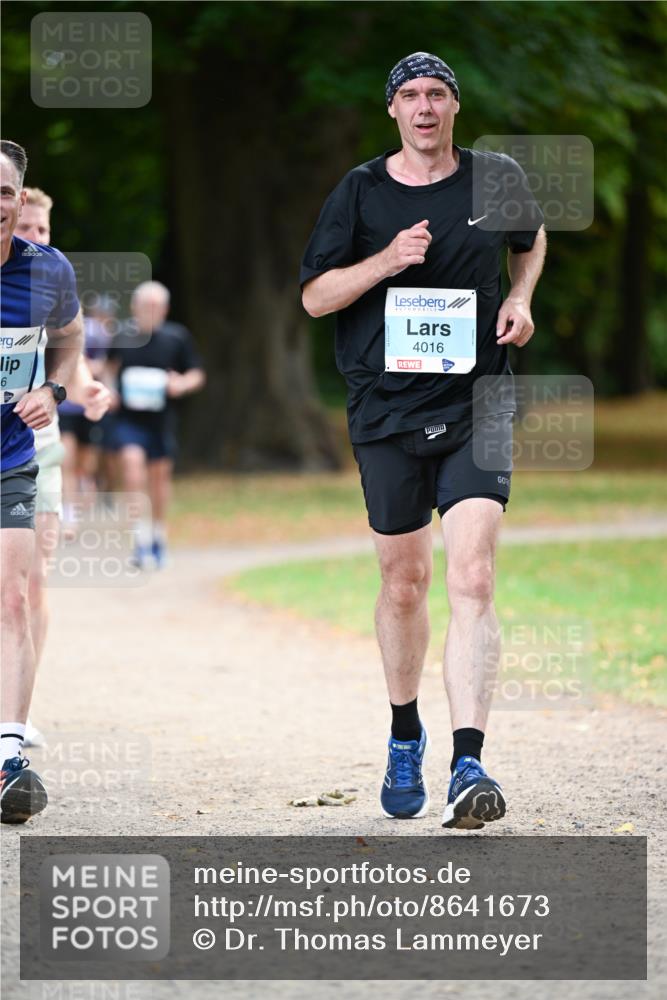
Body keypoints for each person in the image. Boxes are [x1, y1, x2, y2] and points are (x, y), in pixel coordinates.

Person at [301, 53, 546, 829]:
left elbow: (530, 239)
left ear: (453, 107)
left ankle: (468, 761)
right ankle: (405, 733)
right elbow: (314, 298)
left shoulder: (494, 177)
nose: (423, 107)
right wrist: (385, 261)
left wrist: (518, 294)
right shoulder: (361, 191)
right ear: (392, 111)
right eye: (408, 95)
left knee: (472, 577)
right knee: (404, 582)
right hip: (384, 410)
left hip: (478, 400)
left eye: (436, 94)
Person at [1, 140, 84, 823]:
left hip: (11, 457)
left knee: (15, 598)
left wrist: (54, 388)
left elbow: (72, 334)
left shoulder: (47, 270)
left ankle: (9, 755)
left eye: (6, 193)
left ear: (19, 199)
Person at [14, 187, 111, 750]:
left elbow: (74, 356)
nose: (33, 238)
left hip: (40, 449)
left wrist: (90, 389)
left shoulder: (53, 282)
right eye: (24, 226)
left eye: (42, 230)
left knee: (33, 580)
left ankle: (18, 710)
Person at [106, 281, 205, 568]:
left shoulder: (177, 338)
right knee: (133, 470)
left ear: (165, 309)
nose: (151, 311)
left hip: (162, 421)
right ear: (134, 308)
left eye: (157, 306)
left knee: (159, 479)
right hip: (128, 419)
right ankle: (140, 541)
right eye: (145, 306)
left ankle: (158, 537)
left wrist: (182, 384)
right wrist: (109, 389)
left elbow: (196, 373)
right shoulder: (123, 337)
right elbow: (109, 369)